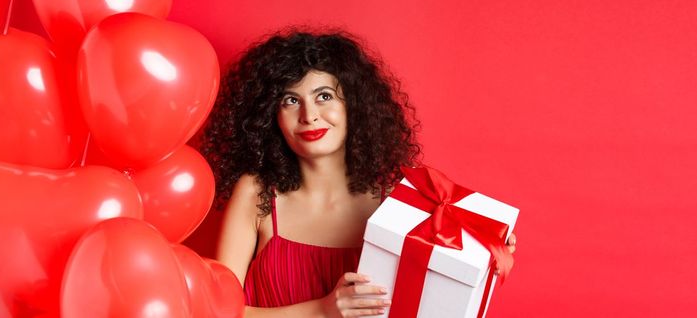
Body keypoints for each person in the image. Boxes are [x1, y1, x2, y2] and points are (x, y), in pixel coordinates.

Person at [201, 29, 516, 317]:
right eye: (290, 100)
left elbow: (437, 297)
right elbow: (218, 312)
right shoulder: (256, 192)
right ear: (271, 116)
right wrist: (321, 311)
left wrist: (485, 254)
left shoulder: (398, 199)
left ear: (355, 105)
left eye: (324, 96)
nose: (309, 116)